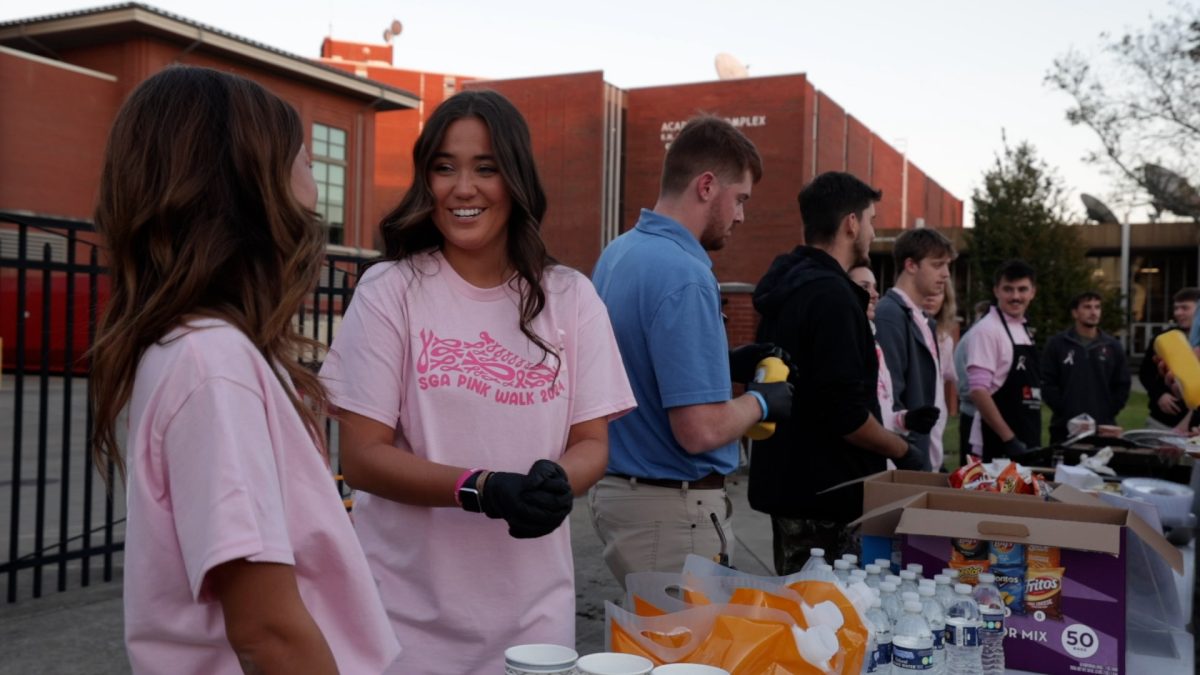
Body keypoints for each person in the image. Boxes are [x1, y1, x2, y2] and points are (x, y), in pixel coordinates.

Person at [88, 66, 400, 673]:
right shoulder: (214, 364)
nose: (316, 192)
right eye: (305, 161)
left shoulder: (205, 350)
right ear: (250, 191)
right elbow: (268, 633)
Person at [320, 90, 636, 674]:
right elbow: (361, 458)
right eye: (444, 168)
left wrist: (554, 484)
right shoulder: (390, 291)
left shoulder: (570, 297)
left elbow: (592, 443)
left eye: (485, 168)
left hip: (534, 626)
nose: (463, 188)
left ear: (515, 178)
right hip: (403, 623)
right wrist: (482, 488)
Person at [590, 115, 793, 587]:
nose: (741, 215)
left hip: (623, 496)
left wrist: (724, 363)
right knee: (683, 656)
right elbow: (698, 431)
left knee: (647, 650)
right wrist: (764, 401)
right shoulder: (685, 272)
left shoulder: (618, 253)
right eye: (739, 198)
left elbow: (641, 366)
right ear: (706, 186)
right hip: (671, 510)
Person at [750, 172, 923, 571]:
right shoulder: (831, 295)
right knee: (828, 624)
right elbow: (844, 413)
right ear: (851, 223)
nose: (872, 232)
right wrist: (903, 450)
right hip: (826, 503)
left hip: (793, 490)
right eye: (872, 220)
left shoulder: (789, 286)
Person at [875, 229, 955, 470]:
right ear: (910, 265)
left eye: (947, 265)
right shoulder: (890, 316)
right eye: (938, 265)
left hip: (922, 459)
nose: (946, 274)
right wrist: (906, 455)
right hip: (903, 463)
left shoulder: (923, 320)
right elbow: (889, 400)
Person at [966, 260, 1042, 460]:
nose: (1016, 296)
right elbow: (978, 391)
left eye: (1022, 289)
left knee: (1025, 491)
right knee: (1002, 492)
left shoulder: (1024, 328)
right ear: (996, 291)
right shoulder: (987, 330)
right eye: (1008, 289)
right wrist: (1009, 440)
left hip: (1026, 438)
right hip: (997, 446)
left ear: (1032, 292)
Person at [1041, 291, 1131, 443]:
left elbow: (1122, 385)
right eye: (1087, 307)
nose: (1093, 312)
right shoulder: (1057, 344)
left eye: (1097, 307)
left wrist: (1107, 412)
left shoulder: (1112, 346)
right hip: (1064, 428)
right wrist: (1066, 412)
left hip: (1102, 428)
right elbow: (1047, 382)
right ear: (1075, 313)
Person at [1139, 287, 1200, 430]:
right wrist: (1159, 395)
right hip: (1161, 420)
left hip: (1194, 428)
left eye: (1185, 308)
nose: (1178, 313)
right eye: (1176, 308)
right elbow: (1145, 373)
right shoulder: (1163, 339)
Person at [849, 263, 896, 432]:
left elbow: (883, 406)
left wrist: (905, 420)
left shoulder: (874, 343)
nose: (875, 295)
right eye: (864, 286)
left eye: (875, 287)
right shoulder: (848, 343)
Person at [922, 285, 959, 470]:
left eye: (937, 294)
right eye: (926, 293)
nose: (931, 298)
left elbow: (948, 376)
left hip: (937, 412)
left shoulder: (945, 338)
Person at [954, 300, 992, 466]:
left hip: (976, 413)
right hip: (974, 414)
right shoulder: (976, 337)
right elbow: (966, 385)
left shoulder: (973, 335)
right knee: (973, 474)